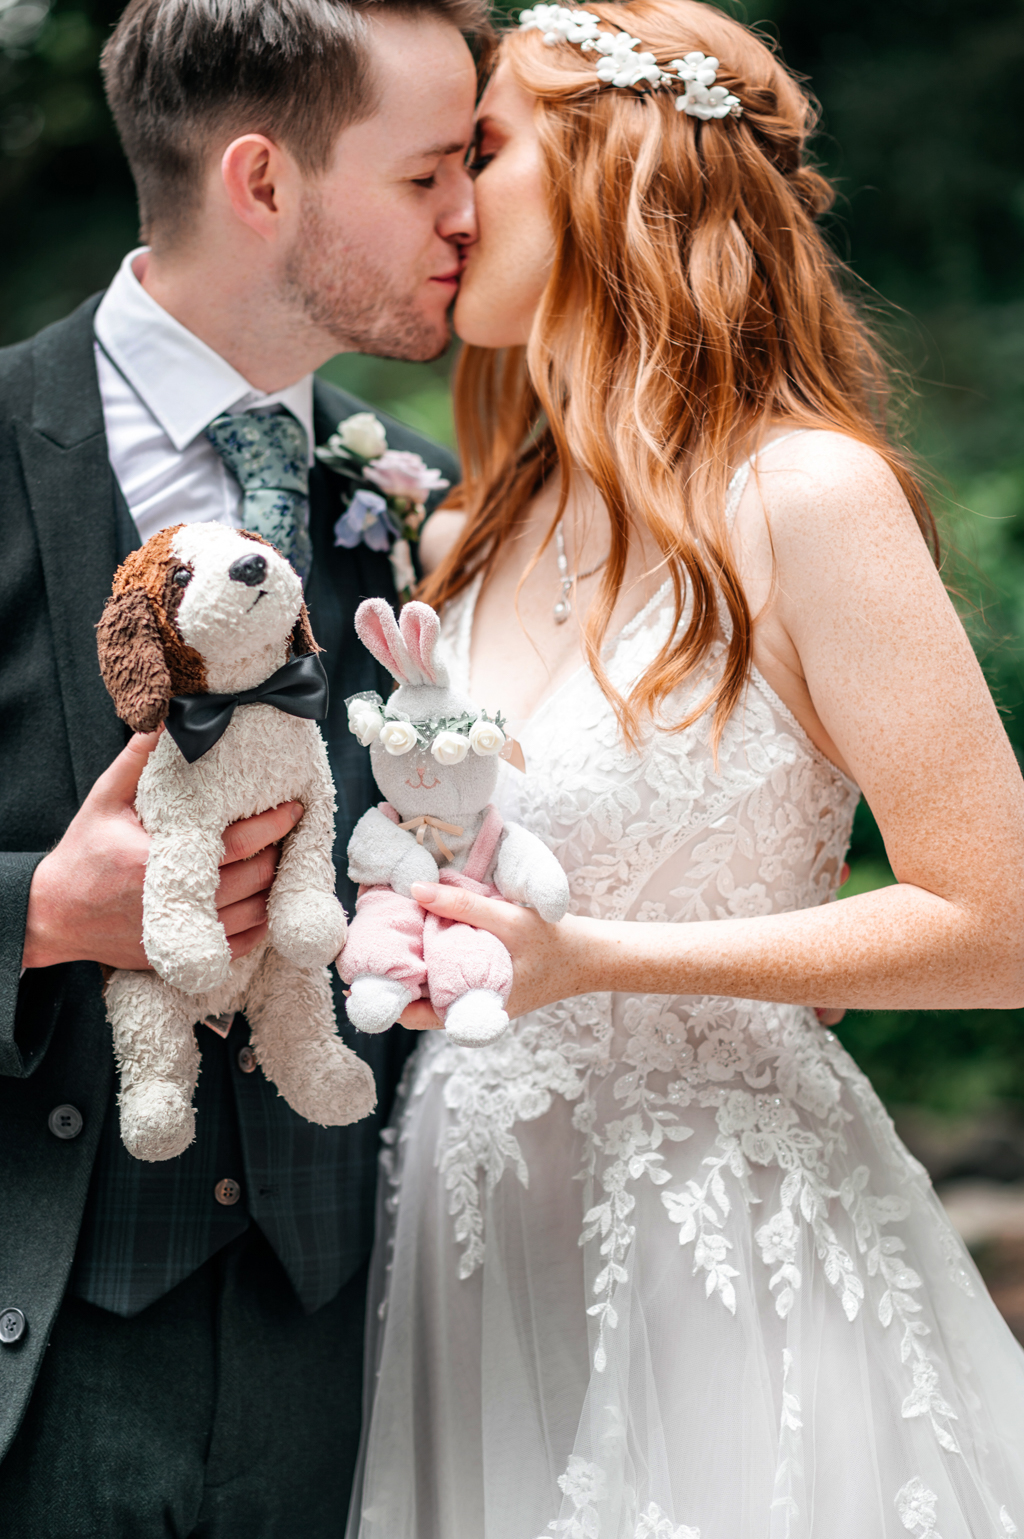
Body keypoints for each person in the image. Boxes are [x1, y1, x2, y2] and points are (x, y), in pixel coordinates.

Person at [347, 3, 1024, 1535]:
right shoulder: (470, 537)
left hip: (717, 1237)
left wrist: (597, 960)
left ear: (612, 170)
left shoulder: (805, 496)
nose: (448, 205)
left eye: (484, 153)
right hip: (463, 1232)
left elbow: (1001, 919)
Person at [0, 0, 483, 1531]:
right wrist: (37, 911)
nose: (471, 215)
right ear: (263, 182)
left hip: (348, 1362)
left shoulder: (418, 496)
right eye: (426, 177)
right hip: (39, 1347)